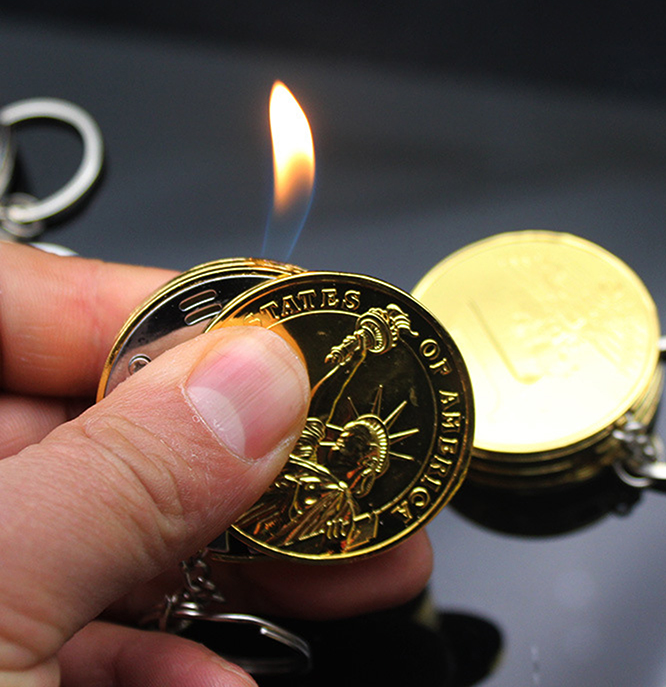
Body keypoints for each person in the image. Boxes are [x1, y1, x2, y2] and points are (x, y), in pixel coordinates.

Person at [0, 242, 432, 687]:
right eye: (346, 434)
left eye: (354, 445)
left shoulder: (335, 501)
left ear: (366, 467)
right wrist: (355, 352)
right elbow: (324, 398)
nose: (341, 439)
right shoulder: (302, 449)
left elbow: (322, 409)